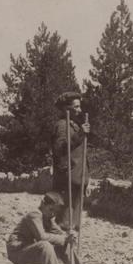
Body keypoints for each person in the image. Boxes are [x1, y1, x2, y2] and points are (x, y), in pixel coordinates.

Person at [6, 192, 90, 264]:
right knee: (45, 245)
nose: (52, 214)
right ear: (42, 203)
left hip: (28, 253)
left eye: (55, 212)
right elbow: (42, 237)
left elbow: (60, 235)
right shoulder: (34, 215)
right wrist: (64, 239)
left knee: (63, 244)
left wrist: (69, 236)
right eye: (50, 209)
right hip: (17, 254)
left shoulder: (48, 219)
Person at [52, 92, 90, 232]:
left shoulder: (72, 125)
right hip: (68, 180)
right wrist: (78, 135)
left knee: (74, 223)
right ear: (66, 109)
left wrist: (86, 177)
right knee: (65, 223)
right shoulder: (62, 125)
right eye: (76, 107)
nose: (80, 110)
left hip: (77, 180)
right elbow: (60, 149)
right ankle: (61, 252)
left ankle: (70, 252)